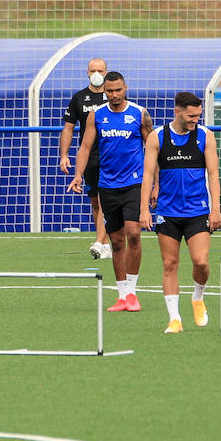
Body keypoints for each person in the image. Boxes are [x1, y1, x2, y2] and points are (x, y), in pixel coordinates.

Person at [67, 71, 153, 311]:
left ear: (125, 88)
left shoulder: (140, 113)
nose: (114, 95)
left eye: (118, 90)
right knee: (116, 241)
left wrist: (156, 184)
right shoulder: (97, 115)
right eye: (110, 91)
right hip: (107, 185)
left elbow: (152, 148)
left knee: (133, 233)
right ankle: (122, 295)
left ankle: (133, 293)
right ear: (104, 91)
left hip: (134, 184)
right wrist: (77, 175)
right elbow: (85, 147)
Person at [139, 91, 221, 333]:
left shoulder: (205, 136)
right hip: (167, 211)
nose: (195, 120)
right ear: (177, 112)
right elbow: (147, 175)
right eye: (191, 116)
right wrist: (144, 209)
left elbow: (214, 174)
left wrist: (216, 209)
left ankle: (198, 297)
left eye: (198, 116)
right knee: (169, 263)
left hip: (198, 211)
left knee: (201, 262)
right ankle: (174, 319)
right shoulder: (157, 137)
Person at [59, 57, 113, 260]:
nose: (96, 74)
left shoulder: (113, 96)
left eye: (100, 70)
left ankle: (101, 242)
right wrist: (64, 155)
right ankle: (104, 243)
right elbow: (68, 128)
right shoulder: (79, 98)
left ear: (106, 72)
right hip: (89, 156)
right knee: (96, 202)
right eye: (92, 70)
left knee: (107, 200)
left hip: (110, 156)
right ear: (87, 73)